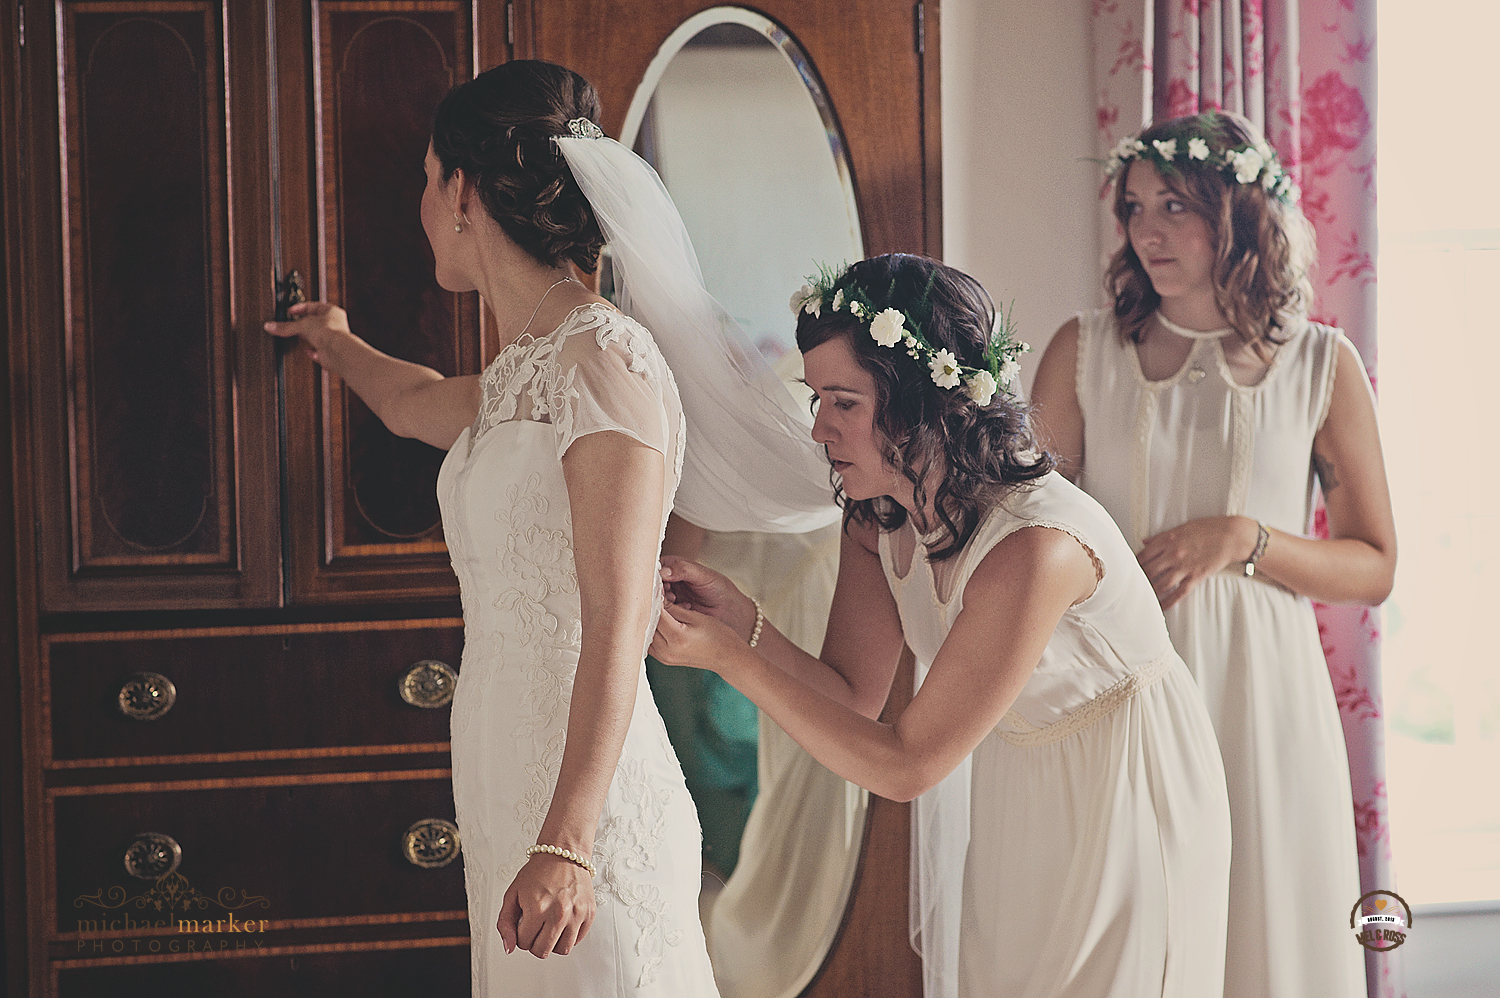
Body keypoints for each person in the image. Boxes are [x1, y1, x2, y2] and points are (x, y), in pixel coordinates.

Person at [265, 60, 835, 998]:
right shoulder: (521, 375)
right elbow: (412, 404)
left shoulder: (605, 360)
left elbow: (620, 618)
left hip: (583, 807)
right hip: (501, 770)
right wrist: (331, 340)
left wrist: (568, 838)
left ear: (461, 191)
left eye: (423, 179)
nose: (420, 208)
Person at [649, 254, 1234, 998]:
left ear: (923, 402)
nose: (819, 427)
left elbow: (906, 766)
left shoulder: (1034, 548)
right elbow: (851, 693)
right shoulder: (877, 512)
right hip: (1022, 778)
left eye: (844, 403)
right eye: (815, 397)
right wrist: (745, 621)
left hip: (1129, 788)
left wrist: (733, 661)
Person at [1030, 111, 1396, 998]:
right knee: (1133, 928)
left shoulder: (1320, 364)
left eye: (1176, 208)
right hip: (1122, 681)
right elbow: (1027, 532)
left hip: (1262, 692)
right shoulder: (1084, 354)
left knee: (1266, 928)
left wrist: (1244, 539)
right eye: (1135, 208)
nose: (1147, 231)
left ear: (1238, 215)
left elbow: (1374, 565)